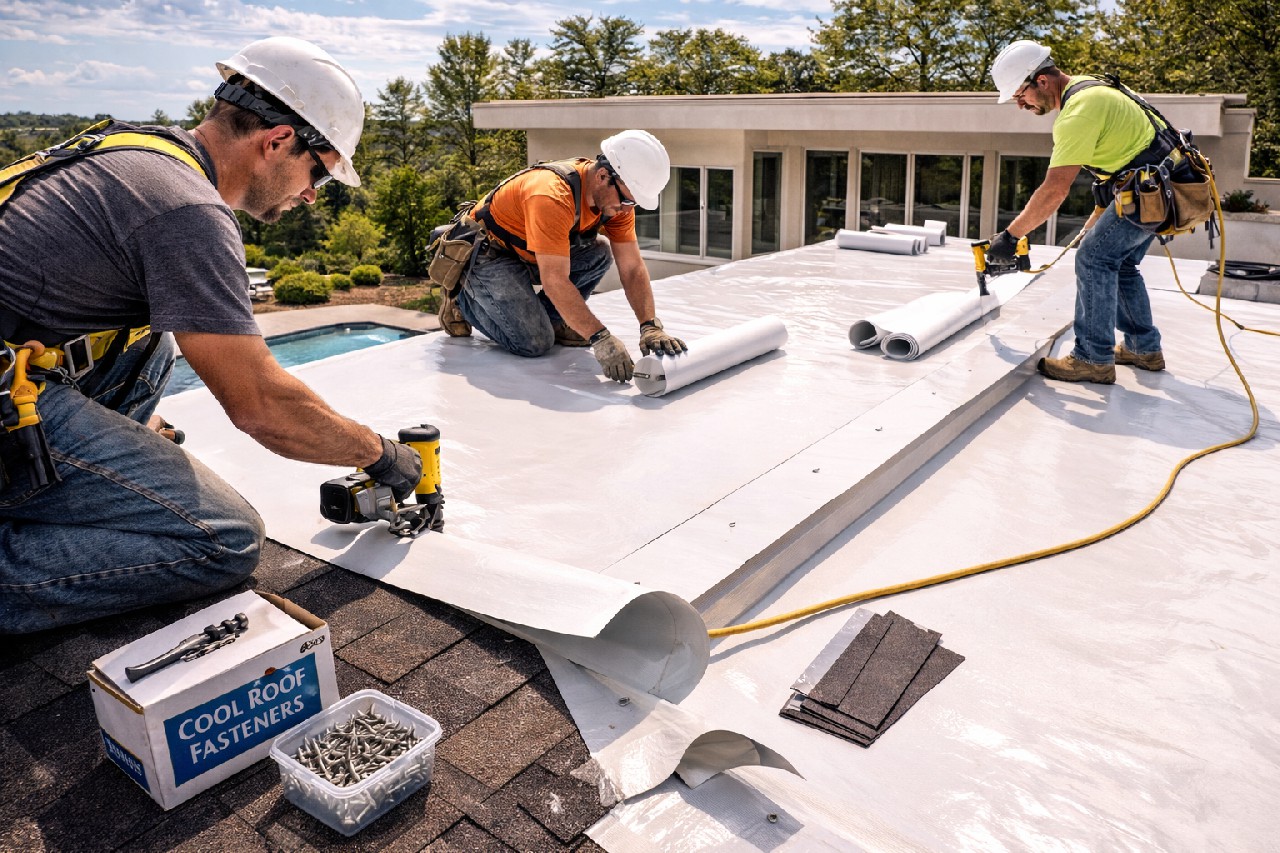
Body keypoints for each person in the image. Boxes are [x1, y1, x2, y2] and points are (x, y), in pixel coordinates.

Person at [0, 37, 422, 634]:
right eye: (318, 176)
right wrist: (380, 454)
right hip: (6, 398)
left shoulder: (137, 150)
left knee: (155, 346)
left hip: (17, 359)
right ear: (277, 141)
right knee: (222, 539)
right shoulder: (187, 212)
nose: (309, 195)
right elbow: (263, 408)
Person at [986, 39, 1169, 385]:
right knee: (1122, 263)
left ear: (1041, 81)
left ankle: (1092, 358)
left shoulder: (1077, 112)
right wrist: (1100, 211)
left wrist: (1010, 237)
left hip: (1151, 193)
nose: (1020, 105)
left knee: (1093, 259)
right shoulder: (1092, 87)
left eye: (1019, 96)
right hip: (1162, 190)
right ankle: (1143, 349)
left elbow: (1055, 189)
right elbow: (1123, 156)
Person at [438, 130, 688, 382]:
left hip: (529, 251)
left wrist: (650, 326)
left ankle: (555, 321)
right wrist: (600, 337)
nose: (626, 209)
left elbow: (632, 268)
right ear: (603, 176)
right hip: (489, 253)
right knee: (534, 342)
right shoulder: (551, 195)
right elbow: (554, 279)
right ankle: (462, 300)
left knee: (598, 252)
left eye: (632, 204)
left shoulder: (617, 201)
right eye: (626, 200)